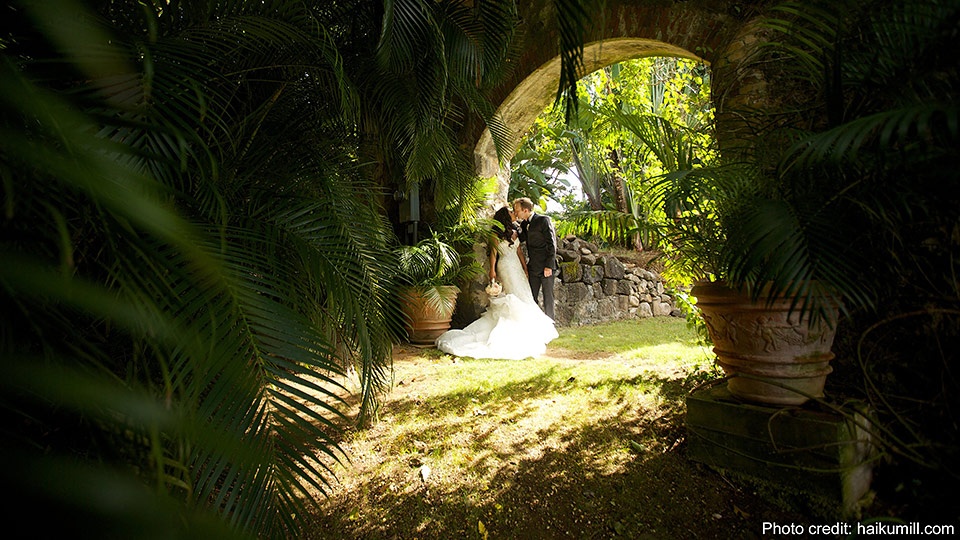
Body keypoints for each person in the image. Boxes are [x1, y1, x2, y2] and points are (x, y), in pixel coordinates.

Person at [435, 206, 558, 360]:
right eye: (511, 212)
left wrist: (525, 268)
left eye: (515, 211)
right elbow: (493, 254)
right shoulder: (495, 234)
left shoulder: (516, 231)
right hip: (505, 266)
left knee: (524, 294)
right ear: (505, 217)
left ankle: (529, 329)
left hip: (518, 267)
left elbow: (519, 252)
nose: (515, 213)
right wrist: (492, 271)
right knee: (512, 295)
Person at [513, 197, 558, 320]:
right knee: (531, 297)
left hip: (546, 266)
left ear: (526, 210)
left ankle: (550, 323)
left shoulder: (544, 220)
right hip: (533, 266)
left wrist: (549, 265)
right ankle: (535, 322)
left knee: (548, 297)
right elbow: (521, 238)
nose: (516, 213)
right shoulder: (524, 224)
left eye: (517, 210)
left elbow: (552, 244)